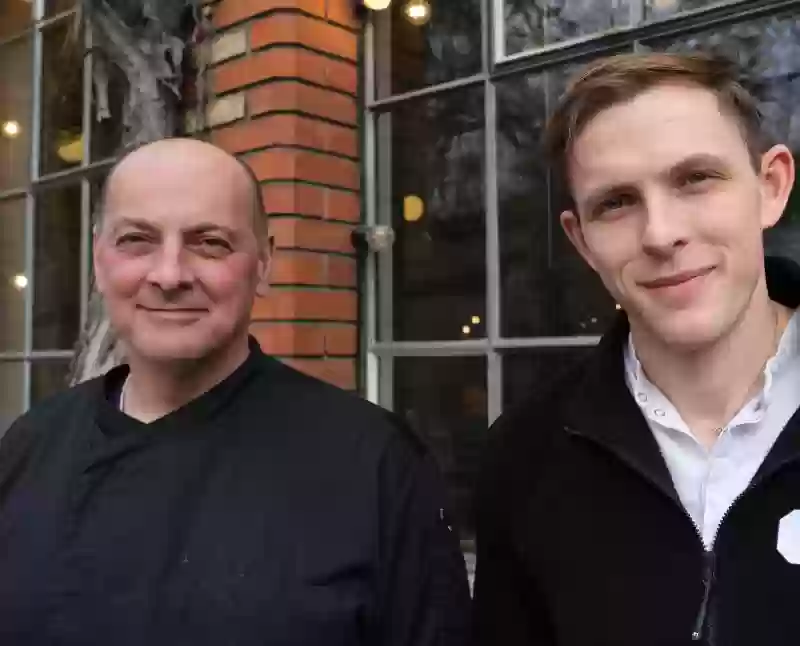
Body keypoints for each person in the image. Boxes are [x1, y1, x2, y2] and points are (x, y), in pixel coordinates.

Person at [0, 138, 471, 646]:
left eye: (210, 243)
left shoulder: (375, 463)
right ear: (99, 260)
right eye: (137, 239)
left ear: (263, 263)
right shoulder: (30, 447)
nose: (169, 275)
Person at [472, 52, 800, 646]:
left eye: (695, 179)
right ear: (582, 241)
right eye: (616, 202)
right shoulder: (524, 459)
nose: (661, 234)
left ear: (771, 187)